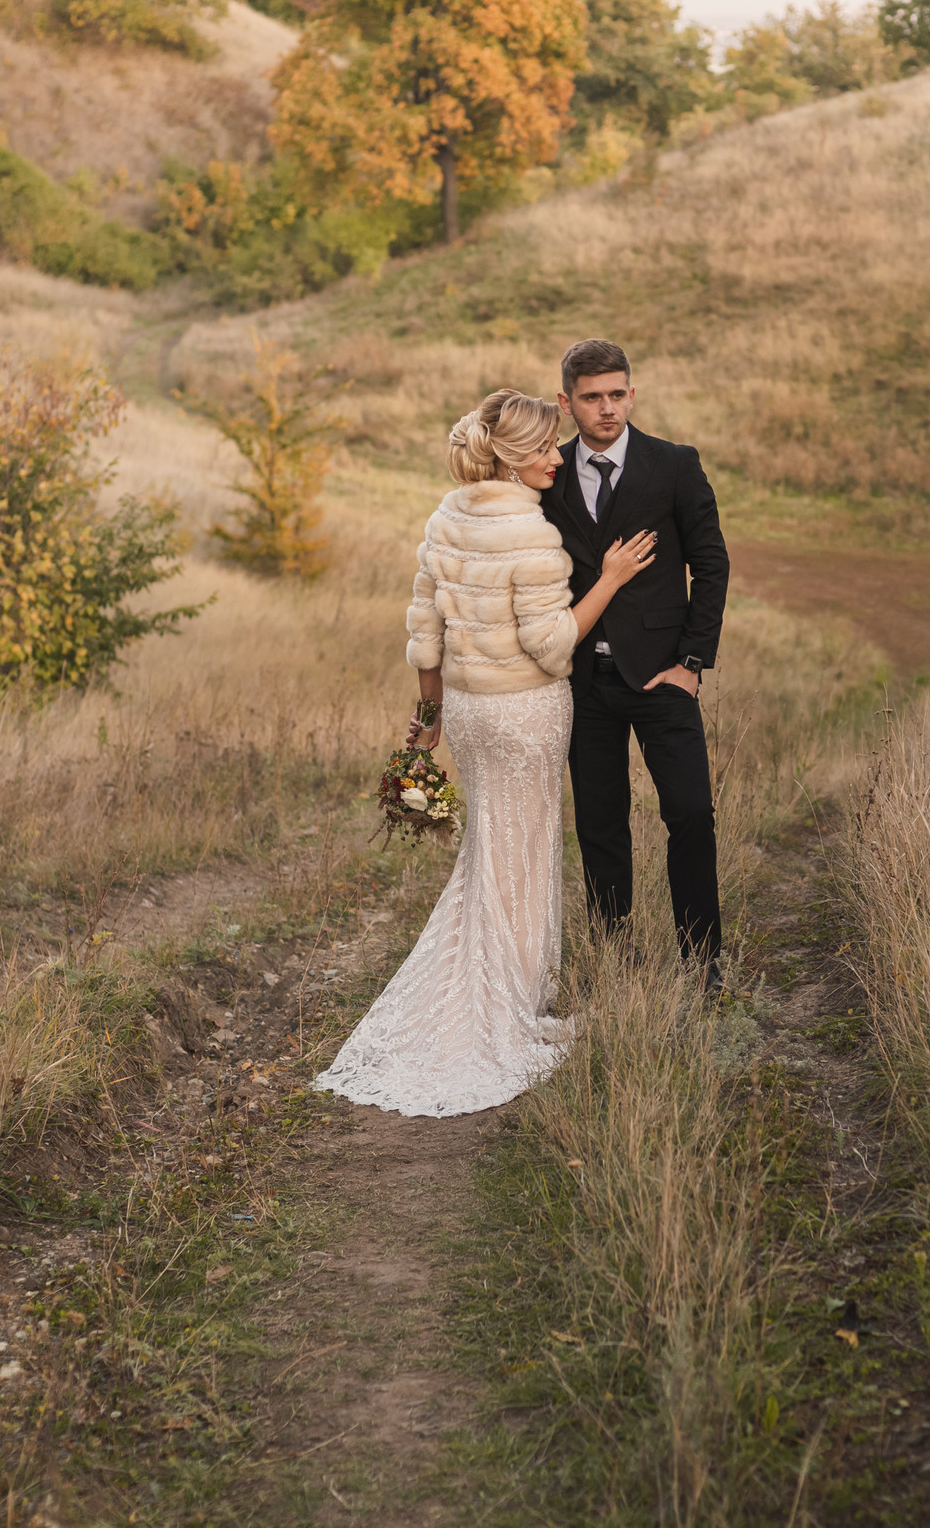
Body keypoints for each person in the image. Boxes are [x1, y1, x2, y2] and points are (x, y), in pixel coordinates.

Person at [313, 390, 657, 1118]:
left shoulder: (445, 516)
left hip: (468, 714)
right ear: (514, 457)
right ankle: (507, 1006)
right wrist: (611, 579)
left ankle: (497, 990)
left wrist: (428, 715)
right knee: (523, 852)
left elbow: (425, 627)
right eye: (546, 448)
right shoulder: (532, 533)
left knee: (488, 849)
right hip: (525, 711)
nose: (558, 458)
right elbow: (552, 645)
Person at [538, 338, 732, 994]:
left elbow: (711, 564)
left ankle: (702, 961)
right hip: (580, 681)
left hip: (662, 675)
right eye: (592, 397)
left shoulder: (674, 464)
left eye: (617, 394)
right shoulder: (549, 473)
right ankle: (612, 957)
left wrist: (692, 662)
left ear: (631, 393)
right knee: (600, 825)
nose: (607, 408)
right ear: (567, 402)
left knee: (691, 813)